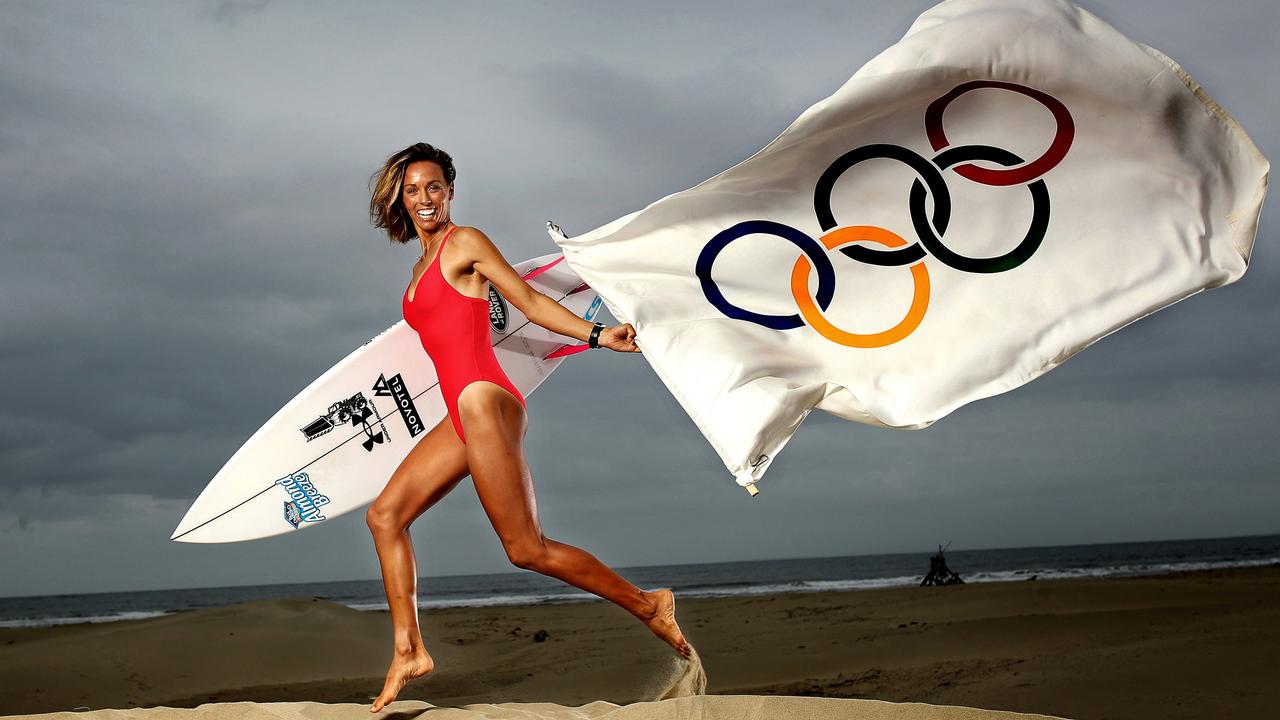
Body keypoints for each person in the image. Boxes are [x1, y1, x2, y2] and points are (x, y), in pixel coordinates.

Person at [364, 143, 692, 712]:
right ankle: (408, 647)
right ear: (400, 195)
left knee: (526, 549)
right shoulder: (418, 267)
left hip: (485, 400)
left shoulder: (464, 242)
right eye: (413, 189)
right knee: (385, 515)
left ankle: (648, 604)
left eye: (434, 187)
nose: (424, 199)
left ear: (450, 191)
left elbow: (527, 300)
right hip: (459, 410)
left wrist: (596, 335)